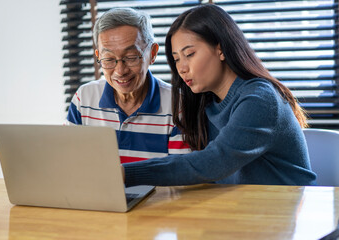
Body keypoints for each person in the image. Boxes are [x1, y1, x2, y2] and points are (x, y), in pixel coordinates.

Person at [123, 4, 316, 186]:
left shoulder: (260, 99)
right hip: (243, 210)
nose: (181, 68)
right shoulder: (205, 102)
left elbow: (212, 162)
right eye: (176, 59)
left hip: (289, 211)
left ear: (220, 49)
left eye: (189, 54)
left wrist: (124, 174)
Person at [67, 8, 191, 163]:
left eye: (131, 57)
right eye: (109, 59)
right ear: (98, 56)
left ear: (152, 53)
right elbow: (71, 163)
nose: (120, 71)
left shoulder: (178, 104)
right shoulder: (83, 99)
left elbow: (180, 177)